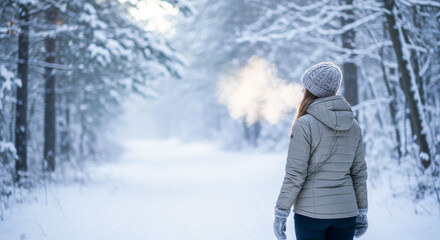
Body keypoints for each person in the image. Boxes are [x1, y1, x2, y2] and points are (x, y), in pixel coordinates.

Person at [273, 62, 368, 240]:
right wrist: (362, 211)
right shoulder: (353, 125)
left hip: (311, 215)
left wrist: (281, 212)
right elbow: (359, 173)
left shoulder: (304, 124)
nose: (302, 90)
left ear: (313, 90)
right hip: (346, 214)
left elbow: (295, 174)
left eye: (306, 86)